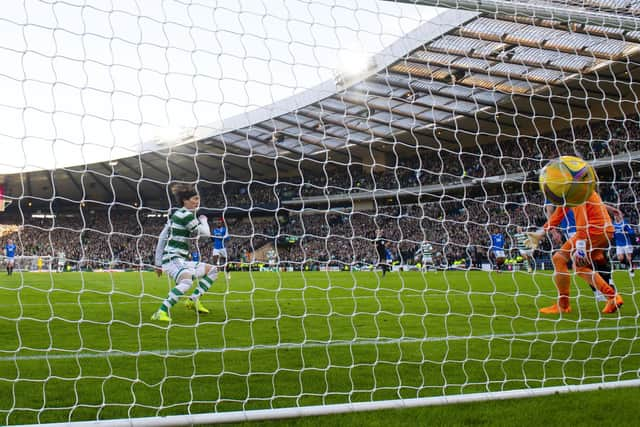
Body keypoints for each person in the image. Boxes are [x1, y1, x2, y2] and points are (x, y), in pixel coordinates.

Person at [526, 190, 623, 314]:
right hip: (604, 231)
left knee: (560, 259)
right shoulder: (576, 188)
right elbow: (559, 214)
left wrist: (581, 247)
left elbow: (581, 222)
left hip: (592, 231)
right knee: (578, 266)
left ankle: (564, 305)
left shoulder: (576, 192)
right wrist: (540, 233)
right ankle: (611, 297)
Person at [151, 183, 218, 322]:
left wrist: (157, 264)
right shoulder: (184, 215)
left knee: (213, 270)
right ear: (185, 200)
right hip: (172, 258)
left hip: (181, 260)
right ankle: (160, 312)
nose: (197, 201)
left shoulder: (179, 215)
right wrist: (204, 220)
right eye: (194, 198)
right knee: (187, 280)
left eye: (198, 199)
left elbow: (162, 237)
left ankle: (193, 300)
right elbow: (206, 233)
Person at [612, 212, 635, 277]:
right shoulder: (613, 224)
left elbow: (631, 231)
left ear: (620, 216)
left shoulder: (625, 223)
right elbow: (612, 233)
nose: (616, 217)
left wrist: (626, 232)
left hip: (626, 243)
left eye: (617, 215)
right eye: (615, 216)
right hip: (618, 244)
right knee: (620, 258)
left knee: (628, 258)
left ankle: (631, 270)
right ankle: (629, 266)